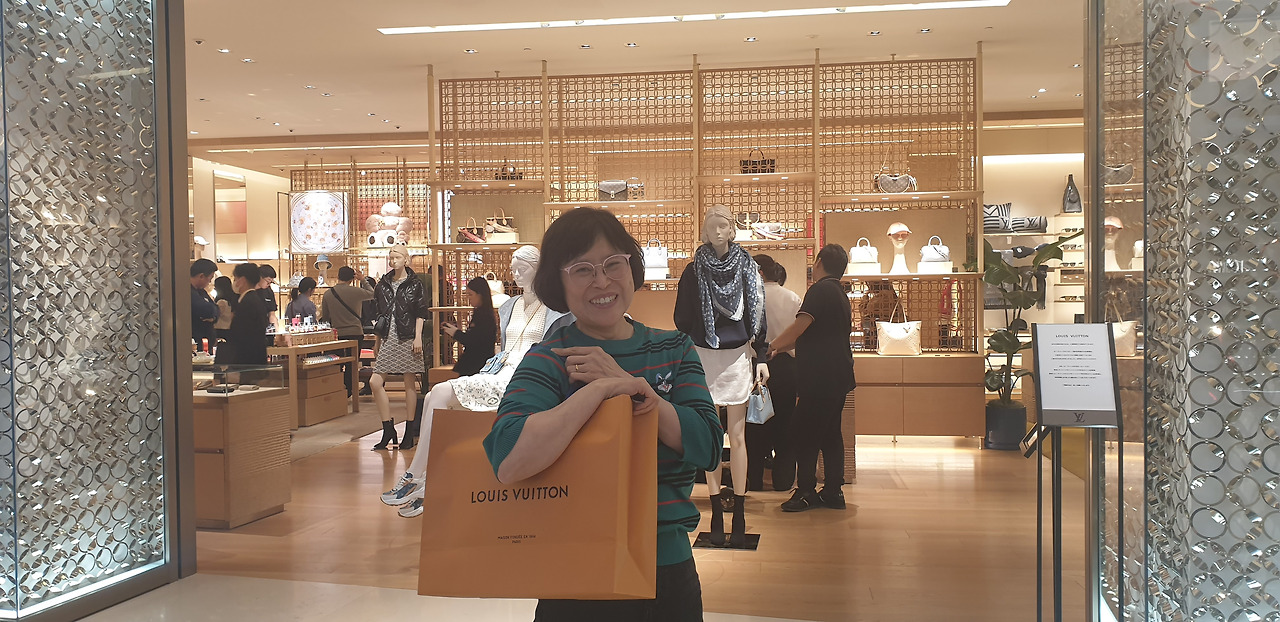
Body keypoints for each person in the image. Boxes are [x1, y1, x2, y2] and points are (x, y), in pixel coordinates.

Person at [483, 208, 720, 620]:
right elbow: (509, 459)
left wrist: (632, 386)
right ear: (558, 282)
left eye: (613, 263)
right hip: (573, 568)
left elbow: (708, 446)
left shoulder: (674, 348)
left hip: (666, 566)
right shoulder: (550, 359)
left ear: (632, 266)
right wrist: (600, 390)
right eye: (582, 269)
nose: (602, 281)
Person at [380, 245, 572, 514]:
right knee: (436, 394)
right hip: (501, 371)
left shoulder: (557, 310)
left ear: (539, 268)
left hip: (528, 377)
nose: (516, 274)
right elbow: (504, 347)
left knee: (441, 394)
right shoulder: (510, 306)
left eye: (523, 268)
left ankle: (420, 478)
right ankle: (422, 477)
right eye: (513, 269)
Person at [673, 204, 769, 547]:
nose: (716, 232)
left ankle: (739, 510)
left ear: (732, 230)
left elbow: (758, 312)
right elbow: (682, 317)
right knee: (711, 434)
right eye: (711, 226)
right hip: (703, 355)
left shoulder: (747, 267)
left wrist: (762, 355)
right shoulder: (693, 271)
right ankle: (715, 508)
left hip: (737, 356)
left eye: (722, 226)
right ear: (703, 231)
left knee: (738, 435)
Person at [768, 244, 856, 512]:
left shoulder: (819, 290)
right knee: (830, 433)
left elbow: (799, 327)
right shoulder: (840, 294)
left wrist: (771, 346)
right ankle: (833, 491)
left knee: (802, 431)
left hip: (820, 377)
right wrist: (779, 348)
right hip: (838, 375)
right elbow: (809, 334)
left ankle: (806, 490)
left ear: (818, 263)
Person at [747, 255, 802, 491]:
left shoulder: (749, 298)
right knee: (785, 425)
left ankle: (754, 481)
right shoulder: (793, 298)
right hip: (786, 367)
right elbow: (799, 335)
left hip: (756, 366)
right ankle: (783, 481)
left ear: (759, 272)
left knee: (755, 426)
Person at [369, 245, 429, 451]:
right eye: (391, 257)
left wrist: (418, 337)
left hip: (408, 336)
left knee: (409, 383)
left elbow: (421, 312)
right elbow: (379, 315)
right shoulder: (382, 285)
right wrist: (377, 341)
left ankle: (409, 432)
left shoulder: (415, 284)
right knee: (375, 382)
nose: (393, 261)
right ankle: (388, 428)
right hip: (388, 337)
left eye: (396, 257)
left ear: (406, 259)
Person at [320, 266, 375, 397]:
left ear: (338, 276)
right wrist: (363, 279)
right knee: (352, 363)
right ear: (352, 279)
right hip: (355, 332)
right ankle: (350, 390)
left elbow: (325, 317)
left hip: (337, 334)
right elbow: (373, 294)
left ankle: (337, 389)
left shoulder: (328, 294)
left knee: (336, 362)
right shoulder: (356, 292)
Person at [442, 276, 497, 377]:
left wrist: (454, 332)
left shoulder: (484, 315)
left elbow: (472, 340)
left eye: (471, 294)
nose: (468, 298)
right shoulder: (482, 313)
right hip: (478, 363)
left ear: (480, 295)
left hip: (477, 364)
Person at [217, 263, 271, 366]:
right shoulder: (253, 299)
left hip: (247, 360)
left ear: (242, 280)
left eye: (235, 279)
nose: (234, 282)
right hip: (254, 358)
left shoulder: (248, 302)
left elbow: (242, 334)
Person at [190, 259, 219, 353]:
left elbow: (216, 309)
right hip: (196, 342)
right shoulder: (188, 291)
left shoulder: (201, 291)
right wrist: (212, 312)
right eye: (209, 278)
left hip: (206, 342)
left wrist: (213, 317)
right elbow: (207, 309)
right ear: (201, 276)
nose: (209, 282)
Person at [212, 276, 236, 350]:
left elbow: (216, 315)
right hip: (229, 329)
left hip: (220, 330)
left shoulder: (221, 302)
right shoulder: (231, 300)